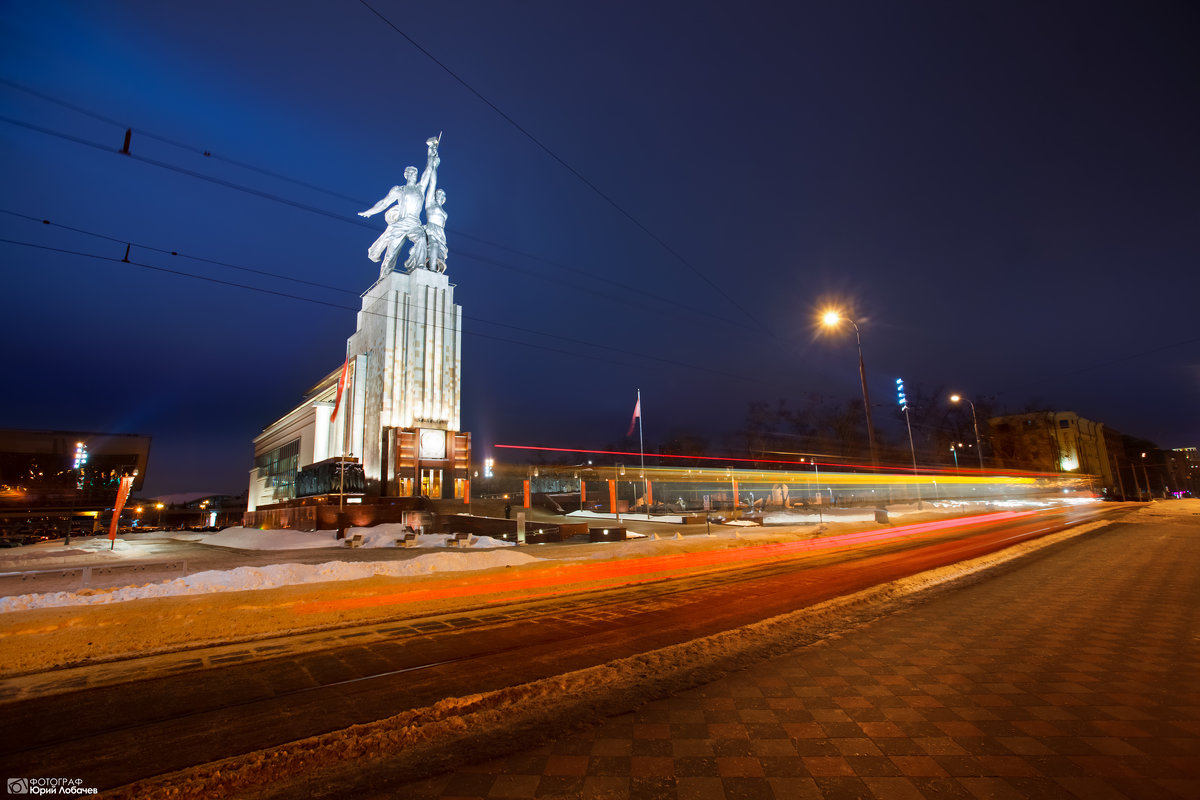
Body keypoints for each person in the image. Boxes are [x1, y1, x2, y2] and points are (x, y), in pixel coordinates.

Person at [359, 136, 439, 277]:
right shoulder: (399, 190)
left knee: (421, 240)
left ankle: (419, 267)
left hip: (415, 224)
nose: (414, 174)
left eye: (415, 172)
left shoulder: (420, 188)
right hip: (401, 224)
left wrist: (431, 151)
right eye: (411, 172)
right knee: (391, 252)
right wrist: (370, 212)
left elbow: (428, 170)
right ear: (406, 175)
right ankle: (384, 276)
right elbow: (384, 202)